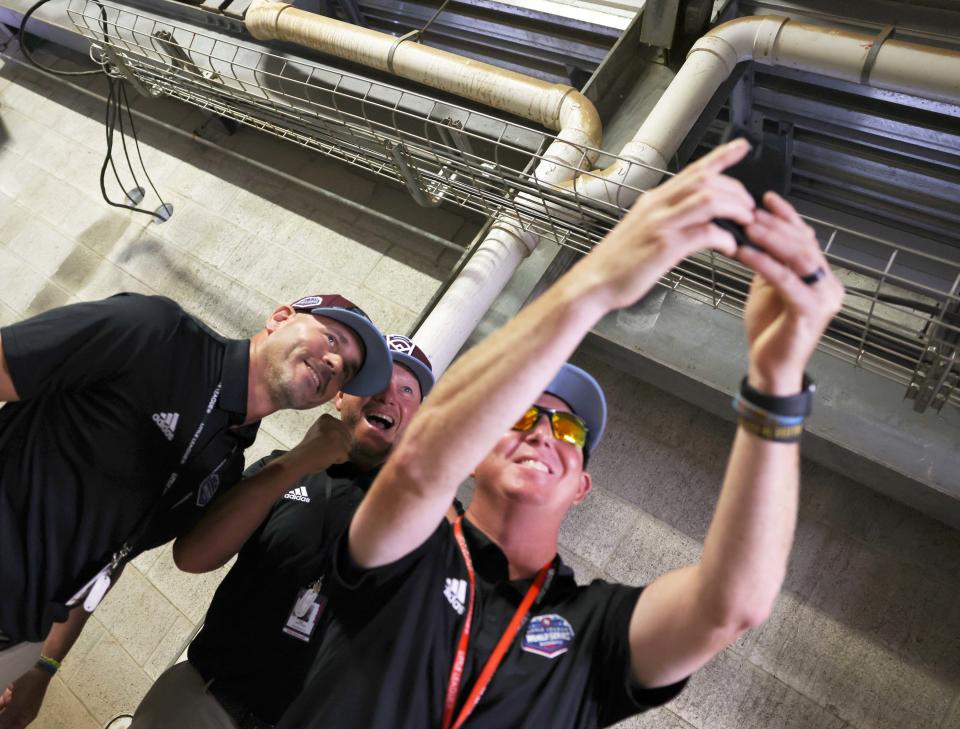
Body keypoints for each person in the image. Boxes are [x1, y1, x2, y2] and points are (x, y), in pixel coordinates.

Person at [278, 138, 845, 729]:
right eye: (521, 415)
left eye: (569, 427)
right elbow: (421, 466)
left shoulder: (593, 627)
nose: (545, 431)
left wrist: (778, 384)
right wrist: (596, 281)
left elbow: (732, 603)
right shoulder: (408, 544)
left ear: (581, 486)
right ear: (472, 455)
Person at [0, 293, 392, 728]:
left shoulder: (225, 464)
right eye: (333, 338)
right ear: (279, 318)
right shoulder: (158, 332)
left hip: (17, 641)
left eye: (350, 369)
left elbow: (105, 566)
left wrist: (43, 667)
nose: (337, 364)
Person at [127, 334, 436, 729]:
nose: (388, 395)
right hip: (202, 699)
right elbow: (191, 558)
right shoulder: (280, 469)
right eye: (376, 382)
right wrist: (294, 464)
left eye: (407, 389)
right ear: (341, 397)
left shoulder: (427, 523)